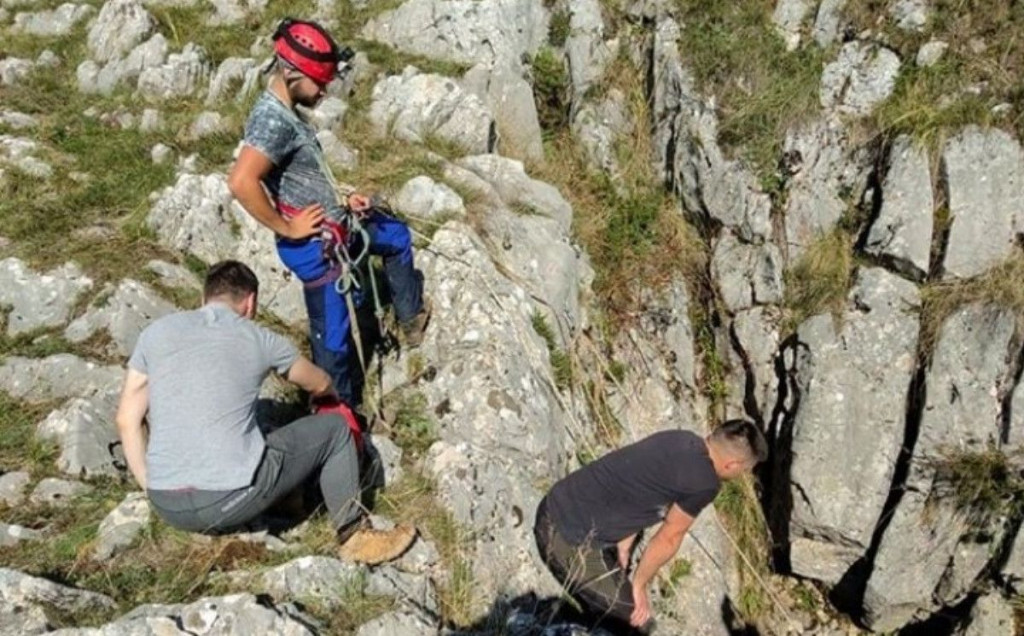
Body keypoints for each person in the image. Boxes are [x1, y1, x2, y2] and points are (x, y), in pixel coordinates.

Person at [115, 260, 414, 564]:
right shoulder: (260, 339)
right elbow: (320, 382)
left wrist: (154, 489)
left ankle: (286, 500)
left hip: (167, 504)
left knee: (258, 434)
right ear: (250, 302)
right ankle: (354, 534)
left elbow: (127, 420)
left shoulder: (155, 334)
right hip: (228, 499)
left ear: (204, 297)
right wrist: (330, 397)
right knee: (335, 429)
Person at [227, 17, 428, 411]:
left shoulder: (286, 112)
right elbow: (241, 181)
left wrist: (342, 200)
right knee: (333, 342)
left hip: (335, 227)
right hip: (317, 248)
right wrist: (288, 227)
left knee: (397, 236)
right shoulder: (272, 120)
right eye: (319, 82)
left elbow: (298, 176)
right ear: (291, 73)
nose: (323, 92)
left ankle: (410, 321)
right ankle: (341, 420)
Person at [534, 421, 768, 633]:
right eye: (744, 470)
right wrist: (639, 585)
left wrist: (624, 546)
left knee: (613, 602)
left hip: (555, 506)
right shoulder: (705, 482)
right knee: (637, 623)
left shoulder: (680, 438)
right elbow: (670, 537)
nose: (742, 475)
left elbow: (636, 487)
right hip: (566, 538)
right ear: (732, 464)